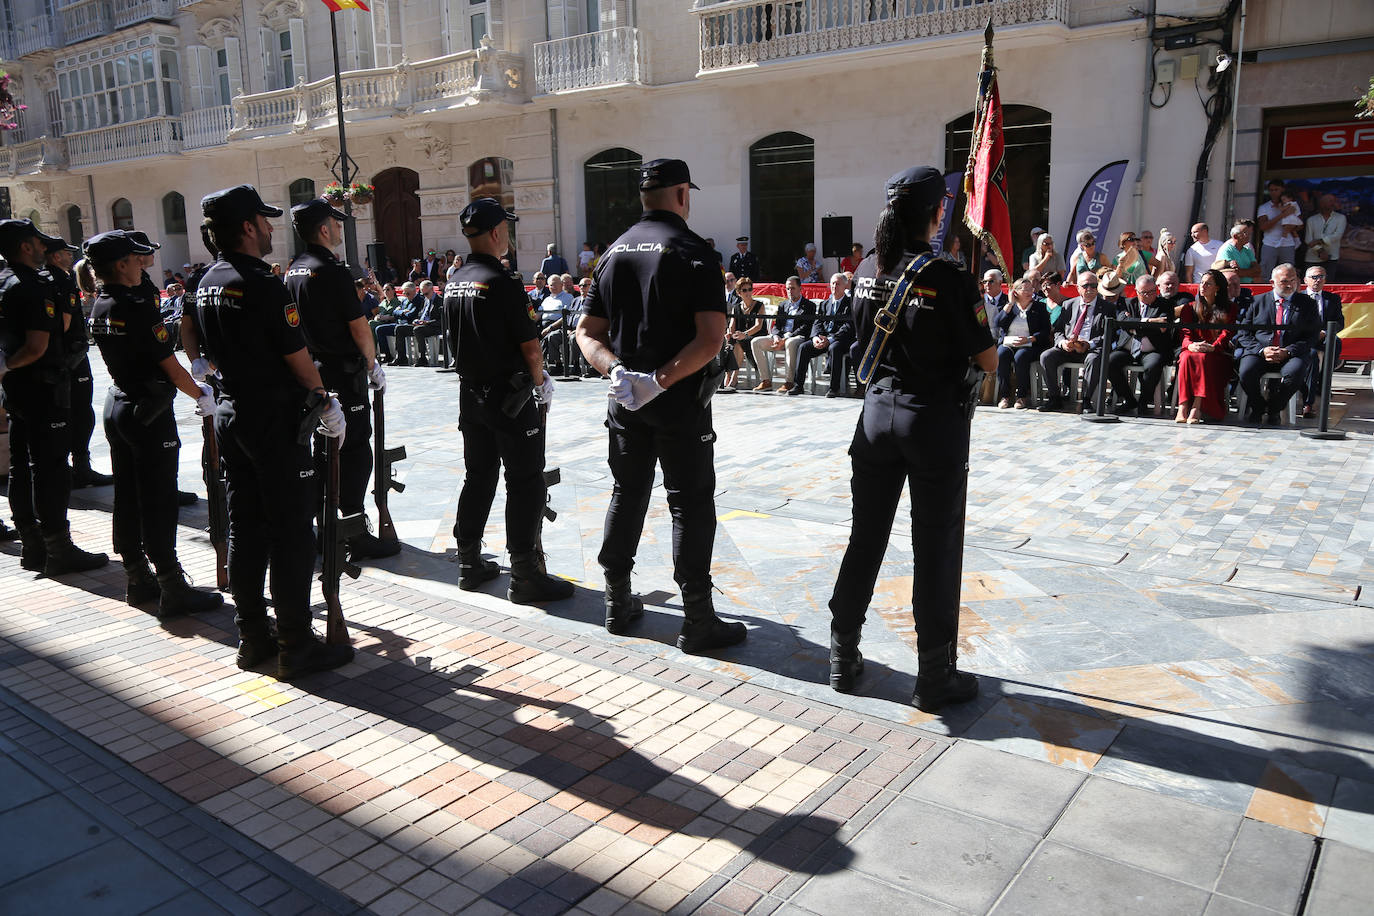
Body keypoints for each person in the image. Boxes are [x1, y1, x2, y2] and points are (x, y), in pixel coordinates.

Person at [825, 166, 996, 710]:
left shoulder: (868, 268)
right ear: (936, 213)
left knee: (866, 537)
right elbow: (988, 357)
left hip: (876, 418)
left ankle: (842, 651)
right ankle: (934, 674)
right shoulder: (947, 274)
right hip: (932, 421)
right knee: (936, 546)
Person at [575, 157, 746, 652]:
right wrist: (659, 380)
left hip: (626, 400)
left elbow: (586, 333)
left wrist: (617, 372)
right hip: (678, 401)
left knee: (627, 493)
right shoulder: (694, 252)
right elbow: (711, 339)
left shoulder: (612, 252)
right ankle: (697, 619)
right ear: (682, 194)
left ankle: (617, 600)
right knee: (689, 503)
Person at [190, 184, 352, 680]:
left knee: (246, 526)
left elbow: (195, 341)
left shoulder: (207, 280)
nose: (268, 229)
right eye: (263, 221)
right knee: (291, 533)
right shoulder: (261, 283)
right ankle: (296, 644)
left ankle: (253, 636)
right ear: (246, 227)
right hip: (273, 419)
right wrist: (325, 400)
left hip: (233, 412)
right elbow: (296, 356)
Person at [85, 230, 223, 617]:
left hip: (119, 403)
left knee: (128, 496)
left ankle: (137, 576)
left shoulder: (101, 303)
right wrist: (200, 394)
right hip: (148, 411)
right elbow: (169, 365)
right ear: (121, 265)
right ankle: (171, 585)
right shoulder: (135, 306)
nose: (140, 263)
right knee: (159, 499)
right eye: (134, 258)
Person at [444, 199, 570, 604]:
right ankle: (525, 573)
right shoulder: (503, 281)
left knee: (478, 476)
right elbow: (530, 345)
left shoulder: (455, 279)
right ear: (497, 232)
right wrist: (541, 382)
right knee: (525, 479)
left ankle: (468, 562)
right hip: (509, 397)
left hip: (470, 395)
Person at [285, 198, 397, 562]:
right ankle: (353, 530)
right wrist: (372, 363)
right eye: (335, 223)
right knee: (354, 451)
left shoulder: (294, 270)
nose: (338, 228)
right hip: (342, 372)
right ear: (323, 229)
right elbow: (358, 325)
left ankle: (326, 527)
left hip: (311, 371)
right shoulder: (332, 270)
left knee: (324, 450)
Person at [0, 218, 109, 576]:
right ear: (25, 247)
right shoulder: (33, 286)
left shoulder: (3, 281)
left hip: (16, 389)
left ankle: (33, 546)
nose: (43, 247)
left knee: (21, 465)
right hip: (43, 388)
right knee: (51, 469)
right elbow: (37, 346)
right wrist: (8, 365)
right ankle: (58, 549)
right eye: (38, 242)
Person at [43, 234, 114, 488]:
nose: (70, 256)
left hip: (55, 358)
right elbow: (63, 324)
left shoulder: (42, 279)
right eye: (66, 252)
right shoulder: (63, 280)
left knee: (63, 412)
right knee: (81, 412)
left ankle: (68, 468)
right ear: (55, 256)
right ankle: (81, 468)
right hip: (71, 358)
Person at [1235, 263, 1320, 425]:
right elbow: (1244, 332)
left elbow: (1312, 335)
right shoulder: (1257, 301)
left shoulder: (1307, 304)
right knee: (1246, 371)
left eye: (1293, 281)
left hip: (1291, 353)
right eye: (1284, 281)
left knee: (1296, 372)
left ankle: (1274, 408)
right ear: (1272, 283)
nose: (1289, 285)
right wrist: (1261, 350)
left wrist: (1288, 351)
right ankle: (1258, 407)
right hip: (1260, 352)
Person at [1106, 274, 1175, 416]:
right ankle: (1129, 400)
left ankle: (1144, 402)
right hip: (1127, 349)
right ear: (1137, 292)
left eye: (1152, 291)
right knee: (1109, 361)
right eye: (1144, 293)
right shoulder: (1127, 303)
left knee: (1154, 365)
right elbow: (1122, 321)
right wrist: (1149, 322)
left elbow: (1162, 327)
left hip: (1152, 350)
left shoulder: (1165, 304)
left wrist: (1134, 326)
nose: (1149, 295)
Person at [1174, 269, 1237, 423]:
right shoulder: (1189, 308)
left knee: (1203, 358)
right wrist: (1190, 345)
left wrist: (1213, 347)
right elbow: (1185, 333)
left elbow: (1227, 333)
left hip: (1217, 353)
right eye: (1202, 283)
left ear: (1217, 288)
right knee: (1186, 357)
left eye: (1208, 284)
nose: (1203, 286)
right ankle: (1183, 406)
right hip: (1192, 349)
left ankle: (1197, 406)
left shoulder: (1230, 308)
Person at [790, 273, 853, 396]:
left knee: (834, 348)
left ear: (845, 286)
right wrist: (816, 337)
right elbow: (817, 322)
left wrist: (831, 339)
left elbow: (848, 326)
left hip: (839, 339)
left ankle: (834, 388)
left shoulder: (850, 303)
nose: (834, 286)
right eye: (833, 283)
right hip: (823, 338)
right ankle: (798, 385)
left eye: (838, 284)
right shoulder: (825, 304)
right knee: (803, 347)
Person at [994, 275, 1051, 409]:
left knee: (1021, 356)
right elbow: (998, 322)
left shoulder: (1039, 307)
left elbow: (1045, 331)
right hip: (1009, 342)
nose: (1030, 292)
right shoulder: (1010, 307)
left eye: (1031, 289)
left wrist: (1030, 339)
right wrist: (1010, 303)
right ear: (1016, 292)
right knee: (1001, 354)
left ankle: (1022, 396)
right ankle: (1005, 396)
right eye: (1026, 290)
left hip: (1030, 344)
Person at [750, 276, 814, 392]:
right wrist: (776, 337)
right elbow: (777, 325)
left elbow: (805, 327)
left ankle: (789, 382)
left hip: (797, 337)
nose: (790, 291)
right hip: (781, 337)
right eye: (788, 289)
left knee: (790, 342)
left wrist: (786, 338)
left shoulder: (809, 305)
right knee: (755, 342)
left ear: (800, 289)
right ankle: (766, 381)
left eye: (793, 288)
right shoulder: (783, 305)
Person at [1301, 264, 1343, 417]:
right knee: (1312, 356)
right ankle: (1308, 402)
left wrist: (1324, 332)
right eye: (1314, 277)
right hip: (1304, 338)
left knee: (1335, 342)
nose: (1317, 280)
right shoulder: (1298, 298)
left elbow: (1339, 322)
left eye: (1321, 277)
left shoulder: (1332, 299)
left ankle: (1324, 382)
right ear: (1305, 280)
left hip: (1324, 336)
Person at [722, 277, 765, 392]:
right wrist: (729, 333)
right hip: (740, 338)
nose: (748, 292)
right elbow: (732, 326)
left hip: (756, 336)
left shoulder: (759, 305)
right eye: (744, 290)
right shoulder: (736, 308)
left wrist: (744, 334)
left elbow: (758, 326)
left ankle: (733, 377)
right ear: (738, 293)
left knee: (737, 342)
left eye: (750, 289)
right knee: (730, 341)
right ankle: (728, 375)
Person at [1256, 180, 1300, 277]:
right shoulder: (1264, 207)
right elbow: (1263, 226)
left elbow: (1300, 225)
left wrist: (1291, 226)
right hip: (1269, 243)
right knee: (1265, 272)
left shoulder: (1292, 205)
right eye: (1271, 190)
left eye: (1276, 190)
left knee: (1289, 273)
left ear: (1283, 190)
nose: (1273, 193)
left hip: (1288, 243)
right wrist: (1283, 215)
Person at [396, 280, 442, 366]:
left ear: (432, 289)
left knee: (418, 329)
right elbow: (420, 314)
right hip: (421, 325)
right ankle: (401, 357)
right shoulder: (425, 300)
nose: (425, 296)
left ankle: (423, 357)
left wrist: (427, 322)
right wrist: (416, 320)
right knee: (399, 328)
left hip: (433, 326)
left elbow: (441, 320)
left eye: (426, 294)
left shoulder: (439, 300)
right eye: (423, 294)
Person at [1304, 195, 1347, 277]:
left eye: (1333, 201)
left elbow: (1337, 235)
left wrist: (1319, 241)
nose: (1333, 203)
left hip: (1332, 256)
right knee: (1311, 282)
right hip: (1312, 257)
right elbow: (1308, 240)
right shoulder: (1311, 220)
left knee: (1329, 282)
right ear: (1322, 203)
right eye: (1330, 201)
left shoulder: (1341, 218)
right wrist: (1320, 251)